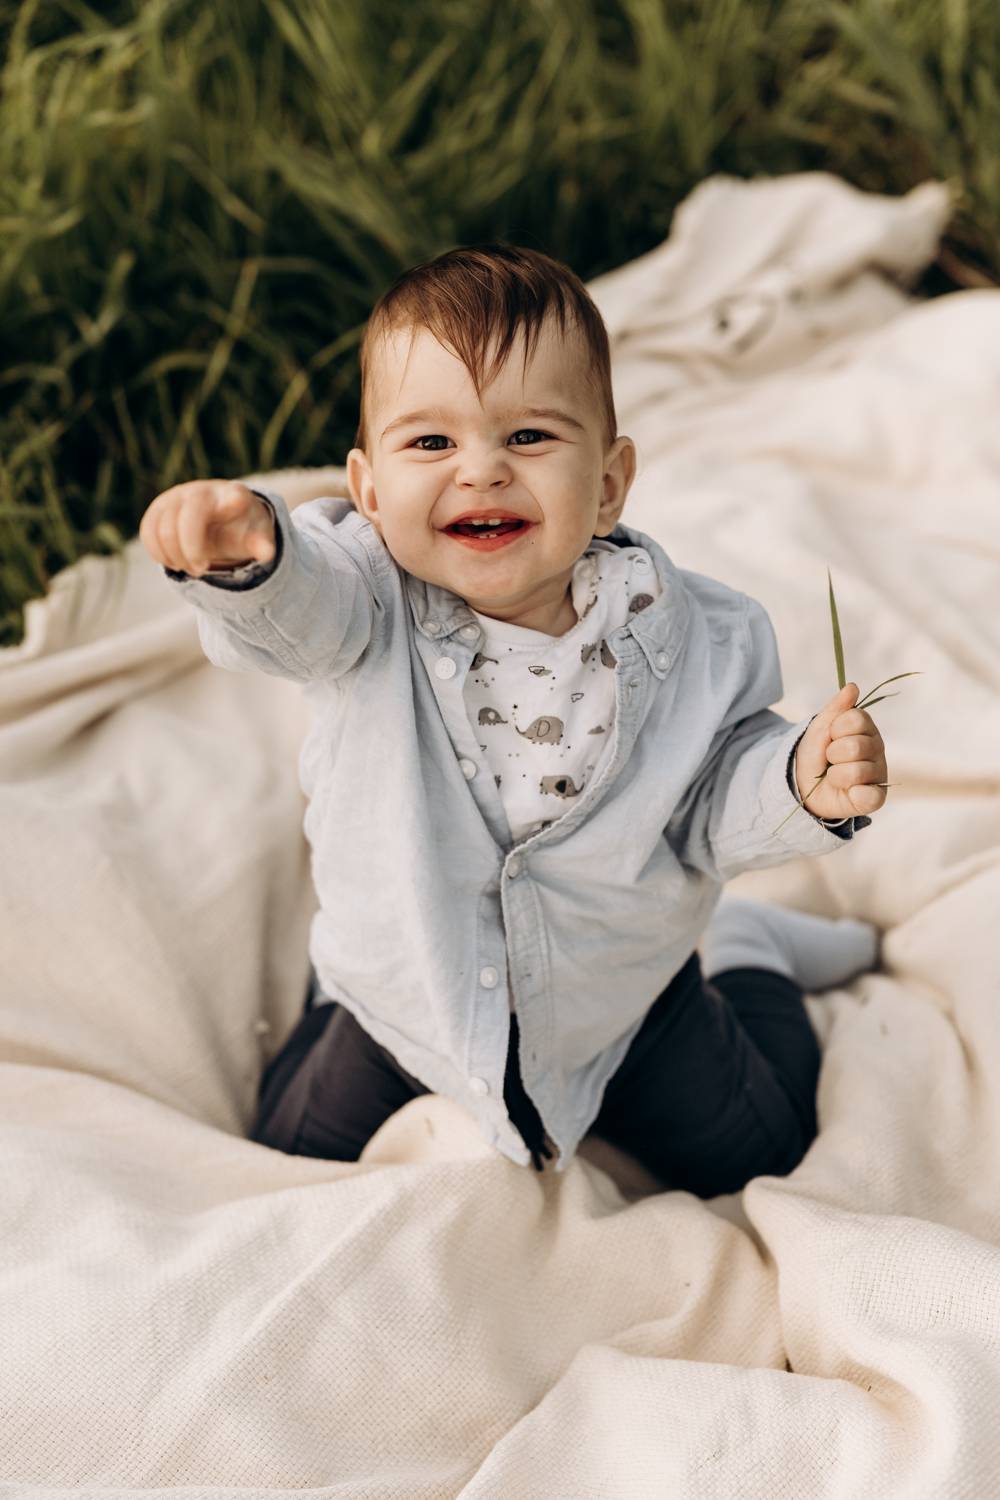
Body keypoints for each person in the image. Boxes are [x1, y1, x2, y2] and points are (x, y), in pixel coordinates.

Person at [139, 242, 887, 1195]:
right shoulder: (362, 601)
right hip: (412, 1003)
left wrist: (797, 784)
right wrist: (251, 559)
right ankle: (331, 1005)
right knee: (287, 1165)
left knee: (766, 1149)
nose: (482, 471)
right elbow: (299, 614)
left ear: (608, 484)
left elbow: (709, 798)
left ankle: (751, 954)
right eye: (431, 443)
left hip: (625, 1003)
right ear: (367, 492)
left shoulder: (689, 635)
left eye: (529, 437)